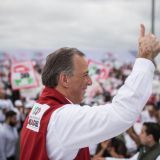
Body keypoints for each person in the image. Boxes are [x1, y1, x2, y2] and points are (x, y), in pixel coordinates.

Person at [20, 24, 160, 160]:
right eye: (85, 75)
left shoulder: (40, 109)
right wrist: (145, 58)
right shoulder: (62, 118)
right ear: (64, 79)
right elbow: (122, 113)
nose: (90, 81)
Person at [94, 122, 160, 160]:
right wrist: (106, 159)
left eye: (142, 132)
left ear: (150, 137)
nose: (139, 134)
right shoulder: (145, 148)